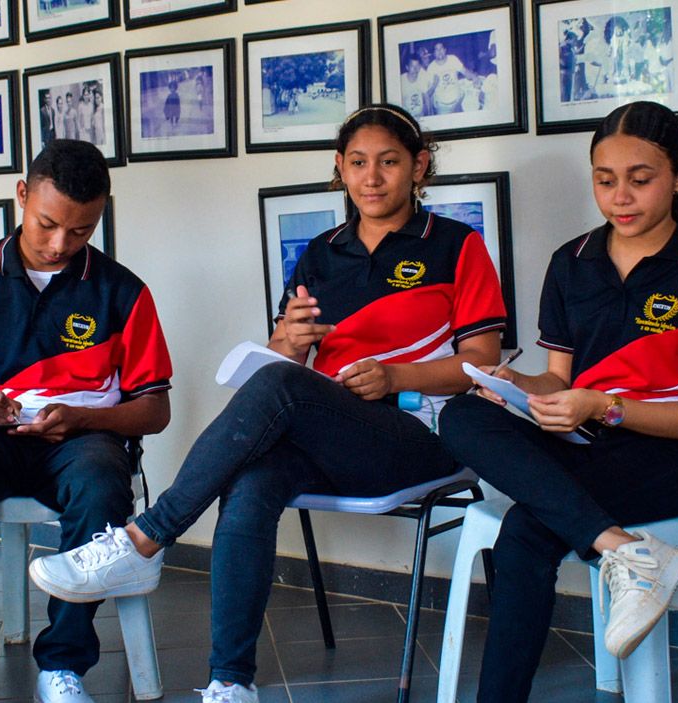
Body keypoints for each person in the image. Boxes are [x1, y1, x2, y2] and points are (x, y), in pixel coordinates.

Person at [27, 104, 508, 703]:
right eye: (358, 163)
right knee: (250, 481)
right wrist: (290, 341)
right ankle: (230, 683)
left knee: (279, 390)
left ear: (420, 166)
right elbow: (288, 361)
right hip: (335, 433)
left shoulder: (457, 245)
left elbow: (480, 365)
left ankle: (146, 538)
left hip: (420, 435)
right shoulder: (320, 253)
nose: (372, 177)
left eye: (389, 162)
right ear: (339, 168)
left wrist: (393, 375)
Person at [437, 101, 678, 702]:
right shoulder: (572, 261)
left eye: (641, 179)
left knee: (529, 528)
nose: (620, 197)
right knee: (462, 412)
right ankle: (624, 550)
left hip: (667, 455)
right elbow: (559, 379)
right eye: (605, 181)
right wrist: (519, 388)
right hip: (582, 442)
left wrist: (603, 407)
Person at [0, 139, 175, 703]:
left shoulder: (123, 291)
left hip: (82, 442)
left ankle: (61, 667)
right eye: (46, 224)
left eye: (82, 231)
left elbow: (155, 410)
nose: (60, 244)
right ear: (22, 196)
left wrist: (87, 418)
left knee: (98, 483)